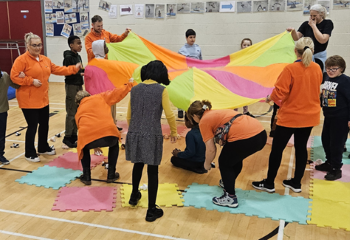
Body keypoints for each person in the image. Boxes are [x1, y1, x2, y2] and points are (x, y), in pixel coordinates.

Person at [252, 37, 323, 193]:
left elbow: (279, 93)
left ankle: (269, 183)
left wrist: (269, 98)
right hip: (309, 116)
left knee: (277, 150)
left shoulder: (290, 69)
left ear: (295, 51)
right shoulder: (317, 68)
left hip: (290, 117)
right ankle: (296, 183)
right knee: (301, 148)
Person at [10, 32, 81, 162]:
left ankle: (43, 147)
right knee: (32, 126)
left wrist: (73, 69)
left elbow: (58, 69)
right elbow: (14, 77)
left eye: (39, 45)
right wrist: (31, 81)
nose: (37, 48)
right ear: (28, 45)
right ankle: (29, 152)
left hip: (43, 99)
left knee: (44, 124)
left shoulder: (44, 59)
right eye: (34, 45)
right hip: (28, 100)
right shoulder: (21, 60)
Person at [187, 100, 266, 208]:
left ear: (194, 115)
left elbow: (211, 149)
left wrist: (206, 164)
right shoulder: (214, 112)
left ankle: (230, 197)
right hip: (260, 133)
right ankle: (227, 182)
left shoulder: (204, 121)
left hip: (246, 137)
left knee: (224, 163)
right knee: (234, 159)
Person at [126, 60, 177, 222]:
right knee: (152, 170)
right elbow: (169, 114)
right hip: (152, 134)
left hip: (135, 132)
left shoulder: (134, 89)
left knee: (138, 164)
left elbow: (128, 115)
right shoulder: (161, 90)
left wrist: (134, 130)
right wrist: (174, 132)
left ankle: (134, 196)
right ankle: (151, 209)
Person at [75, 79, 134, 185]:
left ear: (78, 102)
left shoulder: (79, 110)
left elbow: (83, 131)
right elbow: (117, 93)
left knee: (83, 147)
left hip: (88, 139)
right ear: (89, 95)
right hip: (109, 134)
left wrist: (95, 146)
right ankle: (111, 174)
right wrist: (129, 84)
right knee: (114, 144)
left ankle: (87, 176)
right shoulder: (100, 97)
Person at [316, 56, 350, 180]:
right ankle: (329, 162)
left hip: (341, 118)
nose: (330, 71)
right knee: (326, 140)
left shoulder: (345, 81)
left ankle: (336, 169)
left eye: (334, 69)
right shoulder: (326, 77)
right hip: (329, 116)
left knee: (337, 144)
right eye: (328, 68)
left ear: (341, 69)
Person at [286, 4, 334, 71]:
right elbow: (296, 38)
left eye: (315, 16)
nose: (312, 18)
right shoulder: (306, 24)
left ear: (321, 14)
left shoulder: (327, 23)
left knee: (318, 72)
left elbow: (322, 40)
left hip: (319, 55)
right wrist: (293, 31)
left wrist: (313, 26)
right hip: (306, 53)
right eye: (311, 15)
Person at [62, 36, 85, 148]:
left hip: (79, 85)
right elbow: (67, 72)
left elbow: (81, 70)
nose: (80, 45)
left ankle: (74, 135)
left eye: (81, 43)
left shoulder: (78, 56)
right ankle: (67, 138)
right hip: (72, 86)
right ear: (71, 45)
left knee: (78, 111)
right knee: (71, 111)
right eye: (78, 43)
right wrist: (78, 74)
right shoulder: (68, 57)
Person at [0, 69, 20, 165]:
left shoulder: (5, 76)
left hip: (2, 110)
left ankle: (0, 154)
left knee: (1, 134)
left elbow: (16, 85)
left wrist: (22, 77)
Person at [234, 38, 255, 117]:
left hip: (247, 79)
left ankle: (245, 111)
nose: (246, 46)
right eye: (244, 45)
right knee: (237, 95)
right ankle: (235, 112)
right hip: (238, 79)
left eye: (248, 45)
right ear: (241, 46)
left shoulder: (252, 56)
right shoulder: (238, 56)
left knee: (246, 95)